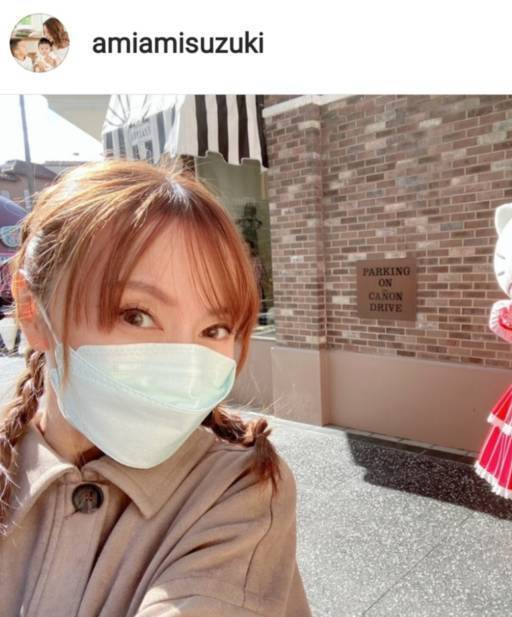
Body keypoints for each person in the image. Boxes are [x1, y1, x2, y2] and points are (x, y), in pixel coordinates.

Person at [0, 159, 311, 616]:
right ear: (32, 310)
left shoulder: (241, 487)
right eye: (136, 315)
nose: (185, 364)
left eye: (216, 328)